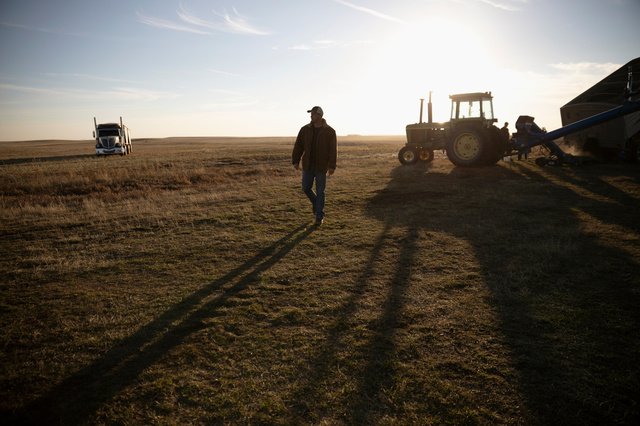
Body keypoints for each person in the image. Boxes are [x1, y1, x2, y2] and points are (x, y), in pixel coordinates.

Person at [292, 106, 337, 226]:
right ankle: (317, 204)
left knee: (320, 191)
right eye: (310, 114)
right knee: (306, 188)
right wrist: (295, 160)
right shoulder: (304, 129)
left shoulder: (330, 131)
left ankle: (319, 216)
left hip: (322, 166)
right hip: (308, 165)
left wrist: (332, 166)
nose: (311, 116)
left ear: (319, 115)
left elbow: (333, 150)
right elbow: (298, 146)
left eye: (313, 114)